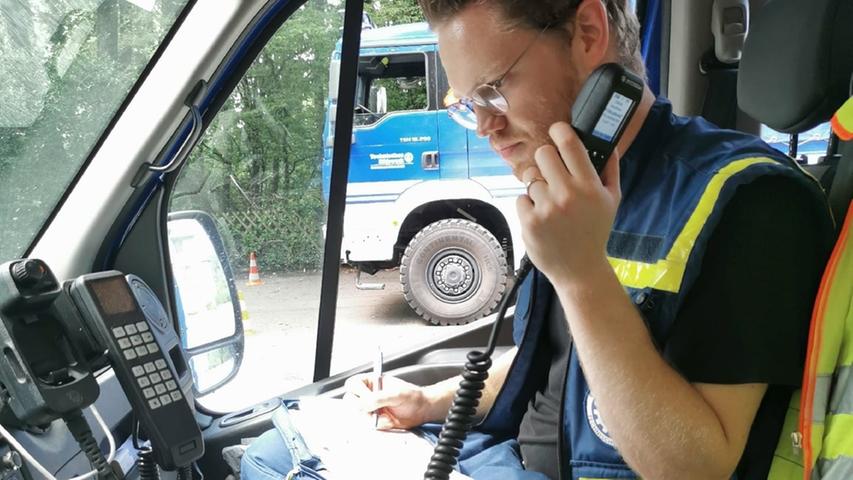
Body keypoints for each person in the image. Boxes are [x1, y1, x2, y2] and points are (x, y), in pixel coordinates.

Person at [242, 1, 835, 478]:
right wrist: (428, 403)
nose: (486, 126)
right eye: (468, 102)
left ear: (586, 32)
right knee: (275, 450)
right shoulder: (570, 194)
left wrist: (582, 277)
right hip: (502, 457)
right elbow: (556, 369)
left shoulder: (754, 204)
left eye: (496, 88)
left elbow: (697, 467)